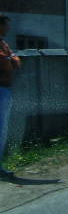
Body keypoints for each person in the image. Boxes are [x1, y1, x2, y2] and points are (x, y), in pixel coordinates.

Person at [0, 15, 21, 179]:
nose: (8, 28)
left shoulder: (3, 43)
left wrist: (10, 59)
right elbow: (6, 63)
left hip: (5, 88)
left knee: (3, 129)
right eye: (6, 25)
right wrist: (8, 60)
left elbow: (15, 61)